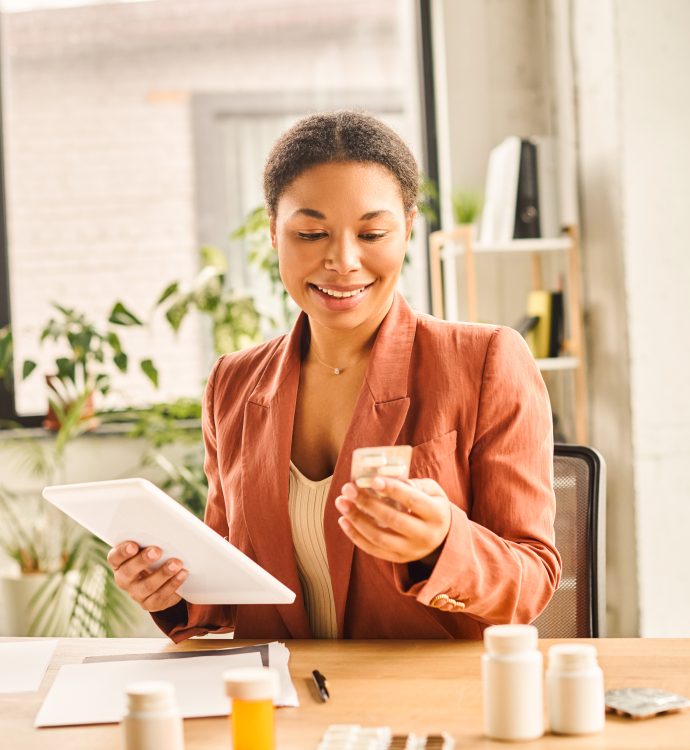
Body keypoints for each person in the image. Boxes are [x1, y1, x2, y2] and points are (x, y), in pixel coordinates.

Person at [107, 111, 561, 641]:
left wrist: (442, 544)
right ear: (274, 233)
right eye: (311, 232)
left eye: (372, 232)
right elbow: (234, 587)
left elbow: (533, 581)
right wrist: (173, 587)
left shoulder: (485, 361)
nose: (343, 261)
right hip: (285, 701)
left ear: (408, 231)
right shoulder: (233, 384)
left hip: (428, 702)